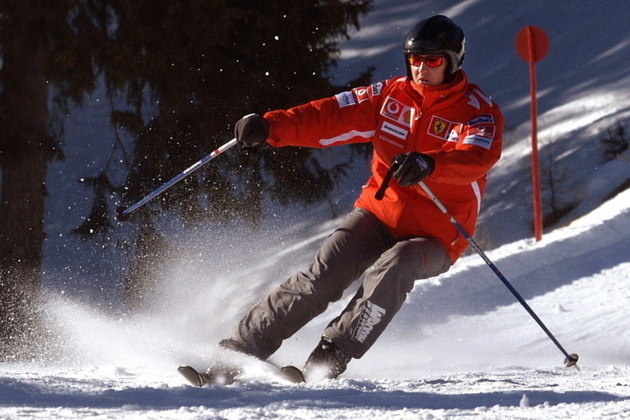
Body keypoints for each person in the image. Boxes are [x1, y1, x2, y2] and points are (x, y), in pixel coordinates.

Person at [219, 14, 503, 380]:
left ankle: (330, 356)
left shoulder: (478, 112)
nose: (421, 69)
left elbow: (478, 159)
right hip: (379, 214)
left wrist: (430, 164)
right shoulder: (388, 97)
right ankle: (242, 349)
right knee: (323, 277)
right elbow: (330, 115)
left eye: (432, 61)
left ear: (452, 60)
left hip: (437, 235)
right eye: (415, 60)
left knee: (398, 263)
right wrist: (272, 126)